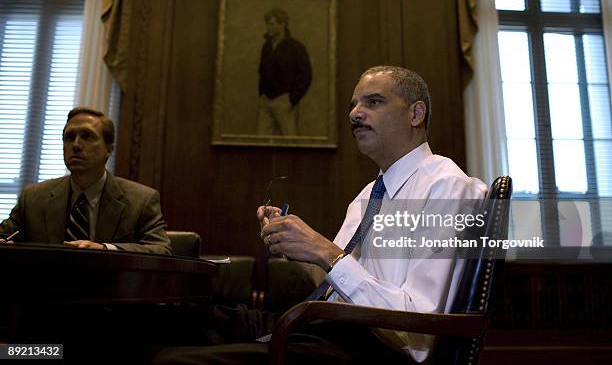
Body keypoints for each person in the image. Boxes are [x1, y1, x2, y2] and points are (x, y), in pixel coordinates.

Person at [154, 66, 486, 364]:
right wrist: (297, 249)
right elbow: (335, 281)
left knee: (173, 361)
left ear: (416, 113)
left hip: (373, 349)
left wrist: (323, 251)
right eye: (353, 105)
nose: (355, 113)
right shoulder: (368, 195)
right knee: (171, 319)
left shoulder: (448, 188)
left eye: (373, 102)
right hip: (324, 325)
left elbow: (417, 327)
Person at [0, 107, 172, 255]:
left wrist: (105, 249)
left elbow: (161, 249)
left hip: (112, 289)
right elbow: (5, 235)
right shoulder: (34, 198)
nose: (76, 145)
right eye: (69, 137)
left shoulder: (141, 200)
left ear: (108, 149)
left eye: (87, 136)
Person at [257, 8, 312, 136]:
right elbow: (262, 71)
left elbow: (306, 76)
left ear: (282, 25)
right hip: (265, 102)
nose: (268, 27)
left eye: (271, 24)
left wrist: (291, 99)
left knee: (290, 142)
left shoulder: (295, 48)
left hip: (284, 102)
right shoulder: (266, 47)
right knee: (260, 143)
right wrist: (262, 95)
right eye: (267, 24)